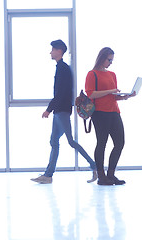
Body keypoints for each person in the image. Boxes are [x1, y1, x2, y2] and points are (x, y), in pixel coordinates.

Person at [31, 39, 97, 184]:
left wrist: (49, 109)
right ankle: (48, 175)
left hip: (62, 111)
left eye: (52, 49)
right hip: (59, 111)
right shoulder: (61, 67)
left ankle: (94, 166)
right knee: (54, 141)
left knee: (70, 141)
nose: (50, 52)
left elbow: (60, 93)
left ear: (59, 51)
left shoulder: (63, 68)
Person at [85, 47, 136, 185]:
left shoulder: (112, 74)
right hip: (100, 113)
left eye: (112, 60)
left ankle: (111, 174)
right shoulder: (92, 74)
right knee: (102, 143)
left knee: (120, 142)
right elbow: (90, 94)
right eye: (109, 59)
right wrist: (110, 91)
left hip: (114, 111)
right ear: (101, 58)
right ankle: (101, 176)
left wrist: (125, 97)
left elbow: (112, 96)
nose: (110, 62)